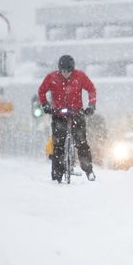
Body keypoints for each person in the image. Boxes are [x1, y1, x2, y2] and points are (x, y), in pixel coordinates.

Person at [38, 54, 98, 183]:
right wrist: (45, 105)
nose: (66, 74)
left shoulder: (80, 76)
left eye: (68, 71)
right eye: (63, 71)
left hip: (77, 113)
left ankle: (88, 170)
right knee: (58, 145)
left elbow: (91, 89)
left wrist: (91, 105)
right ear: (59, 70)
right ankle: (57, 175)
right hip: (59, 115)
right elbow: (41, 91)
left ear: (73, 70)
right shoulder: (52, 78)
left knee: (81, 143)